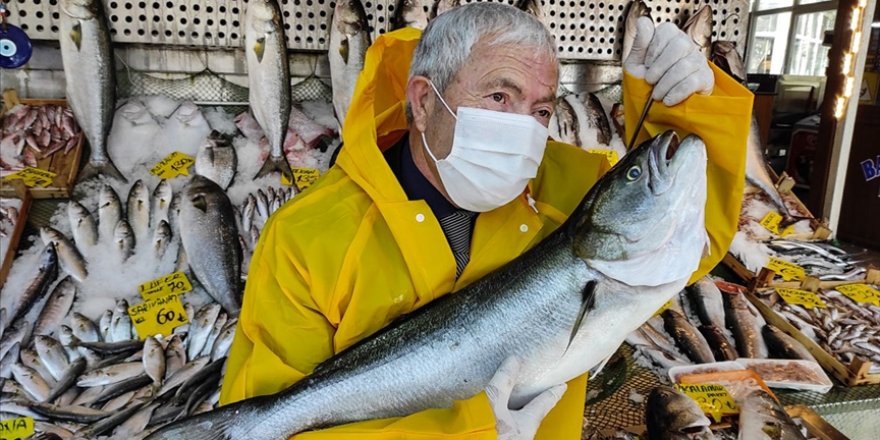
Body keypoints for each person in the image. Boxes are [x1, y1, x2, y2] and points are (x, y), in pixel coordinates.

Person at [220, 3, 752, 439]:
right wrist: (469, 431)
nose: (523, 129)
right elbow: (273, 418)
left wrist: (688, 110)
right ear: (424, 101)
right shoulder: (305, 235)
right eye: (499, 96)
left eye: (541, 110)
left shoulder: (571, 184)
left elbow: (685, 240)